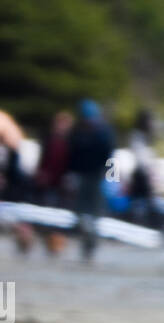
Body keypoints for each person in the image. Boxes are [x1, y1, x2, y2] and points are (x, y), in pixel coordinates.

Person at [67, 98, 116, 261]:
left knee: (95, 216)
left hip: (97, 177)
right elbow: (72, 156)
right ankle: (86, 244)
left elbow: (110, 157)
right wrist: (70, 174)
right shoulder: (78, 133)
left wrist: (111, 178)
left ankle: (90, 248)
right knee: (79, 214)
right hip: (81, 177)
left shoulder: (103, 133)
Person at [32, 111, 74, 255]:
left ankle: (57, 247)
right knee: (46, 215)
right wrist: (40, 173)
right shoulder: (49, 139)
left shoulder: (71, 142)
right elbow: (43, 159)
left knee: (60, 219)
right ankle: (48, 245)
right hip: (48, 183)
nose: (61, 127)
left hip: (62, 185)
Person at [127, 109, 160, 230]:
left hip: (145, 173)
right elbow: (141, 157)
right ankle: (151, 225)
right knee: (145, 201)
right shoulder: (137, 137)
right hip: (141, 173)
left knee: (144, 201)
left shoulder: (145, 137)